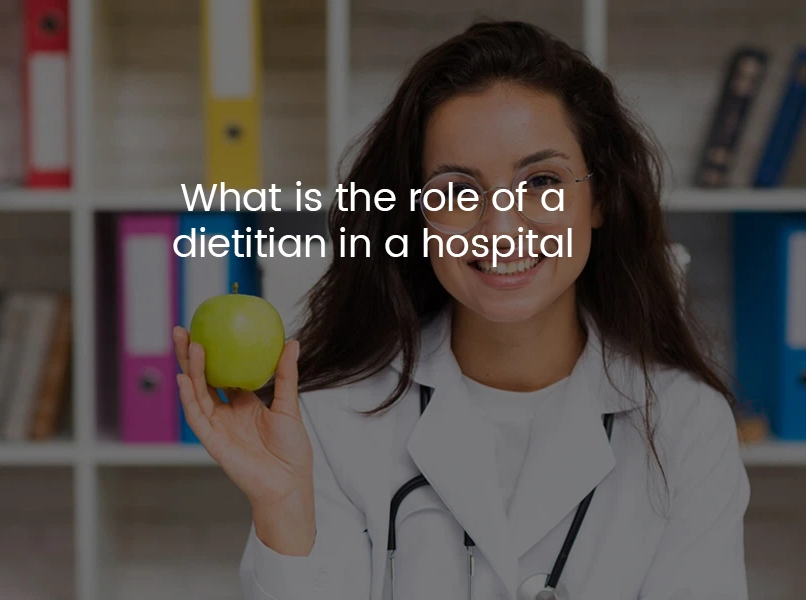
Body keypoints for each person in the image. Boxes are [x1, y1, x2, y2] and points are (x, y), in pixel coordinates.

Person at [173, 21, 749, 600]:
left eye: (541, 182)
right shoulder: (329, 418)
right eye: (456, 191)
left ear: (599, 197)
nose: (500, 228)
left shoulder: (684, 426)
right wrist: (283, 509)